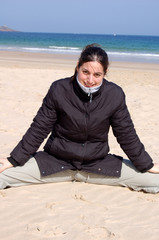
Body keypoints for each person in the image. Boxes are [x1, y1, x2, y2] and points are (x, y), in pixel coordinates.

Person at [0, 44, 159, 193]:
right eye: (85, 72)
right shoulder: (59, 89)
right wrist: (14, 159)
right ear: (78, 66)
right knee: (2, 175)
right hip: (54, 163)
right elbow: (39, 128)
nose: (90, 80)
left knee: (155, 180)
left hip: (97, 165)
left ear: (105, 72)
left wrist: (147, 165)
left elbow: (126, 134)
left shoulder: (114, 94)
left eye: (97, 75)